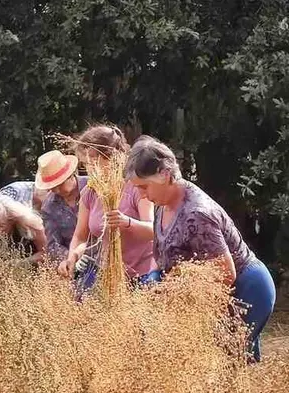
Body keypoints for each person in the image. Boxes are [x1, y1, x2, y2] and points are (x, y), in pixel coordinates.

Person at [126, 137, 276, 363]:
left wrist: (176, 291)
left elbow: (225, 273)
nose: (141, 195)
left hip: (246, 289)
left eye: (144, 186)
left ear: (164, 175)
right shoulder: (164, 206)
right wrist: (156, 279)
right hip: (220, 294)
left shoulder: (196, 214)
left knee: (226, 365)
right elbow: (164, 256)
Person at [56, 125, 159, 291]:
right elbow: (81, 236)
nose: (90, 168)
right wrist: (72, 256)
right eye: (86, 163)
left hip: (143, 275)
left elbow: (152, 230)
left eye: (94, 161)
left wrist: (126, 222)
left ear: (114, 157)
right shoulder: (89, 192)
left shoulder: (135, 186)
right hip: (109, 276)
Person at [38, 150, 88, 263]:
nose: (56, 190)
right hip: (76, 264)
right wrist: (70, 259)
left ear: (70, 176)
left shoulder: (92, 188)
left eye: (59, 185)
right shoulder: (48, 207)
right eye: (52, 187)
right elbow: (53, 245)